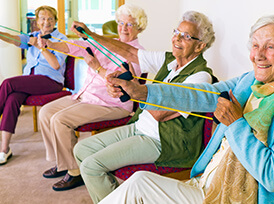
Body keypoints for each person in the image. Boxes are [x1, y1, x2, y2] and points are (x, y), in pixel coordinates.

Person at [102, 14, 274, 203]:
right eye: (256, 45)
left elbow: (273, 176)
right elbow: (198, 94)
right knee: (138, 182)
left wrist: (237, 124)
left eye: (270, 47)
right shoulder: (252, 81)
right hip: (208, 184)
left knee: (137, 188)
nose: (258, 55)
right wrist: (142, 92)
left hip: (239, 198)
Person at [72, 11, 217, 203]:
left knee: (91, 167)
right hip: (140, 127)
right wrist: (92, 35)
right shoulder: (169, 61)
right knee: (81, 150)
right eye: (176, 32)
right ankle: (119, 198)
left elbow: (159, 114)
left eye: (186, 36)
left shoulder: (200, 77)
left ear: (200, 46)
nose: (177, 38)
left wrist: (133, 89)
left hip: (163, 140)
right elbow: (129, 52)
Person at [37, 3, 147, 191]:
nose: (124, 28)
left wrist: (97, 66)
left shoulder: (137, 54)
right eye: (121, 23)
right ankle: (63, 162)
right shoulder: (109, 42)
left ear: (139, 27)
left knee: (60, 120)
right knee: (46, 112)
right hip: (86, 96)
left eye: (130, 24)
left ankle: (74, 172)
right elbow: (77, 46)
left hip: (110, 104)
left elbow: (120, 84)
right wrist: (51, 44)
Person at [0, 6, 67, 165]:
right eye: (43, 18)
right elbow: (12, 38)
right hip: (30, 81)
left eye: (50, 18)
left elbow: (56, 65)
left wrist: (40, 47)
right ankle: (4, 149)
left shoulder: (61, 40)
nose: (46, 22)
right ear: (37, 21)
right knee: (12, 98)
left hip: (51, 81)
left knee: (8, 83)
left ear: (55, 21)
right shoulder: (32, 36)